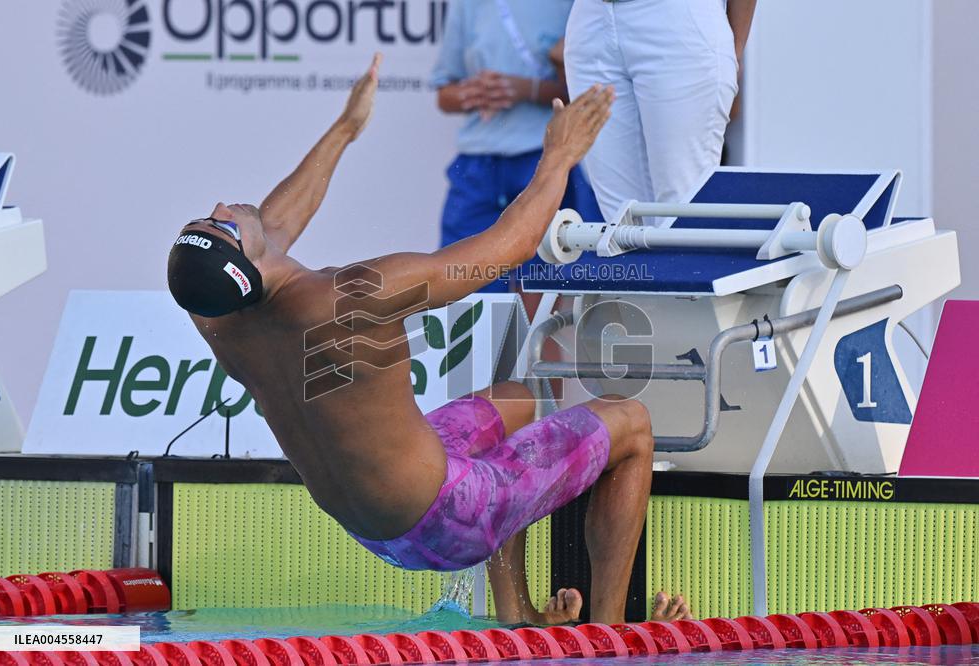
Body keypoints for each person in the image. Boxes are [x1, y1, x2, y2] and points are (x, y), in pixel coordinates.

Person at [166, 54, 690, 624]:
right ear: (246, 259)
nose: (222, 206)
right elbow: (507, 248)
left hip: (372, 526)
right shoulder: (354, 296)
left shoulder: (217, 316)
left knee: (517, 399)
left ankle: (515, 614)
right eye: (221, 222)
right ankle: (609, 635)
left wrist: (345, 129)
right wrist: (559, 157)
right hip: (452, 515)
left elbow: (271, 227)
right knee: (631, 422)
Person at [433, 0, 601, 292]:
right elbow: (445, 94)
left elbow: (593, 92)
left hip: (544, 158)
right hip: (477, 164)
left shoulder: (573, 5)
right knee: (459, 280)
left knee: (546, 284)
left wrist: (527, 90)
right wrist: (473, 93)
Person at [564, 0, 757, 223]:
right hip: (591, 17)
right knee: (619, 220)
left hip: (677, 17)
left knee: (682, 209)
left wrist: (733, 51)